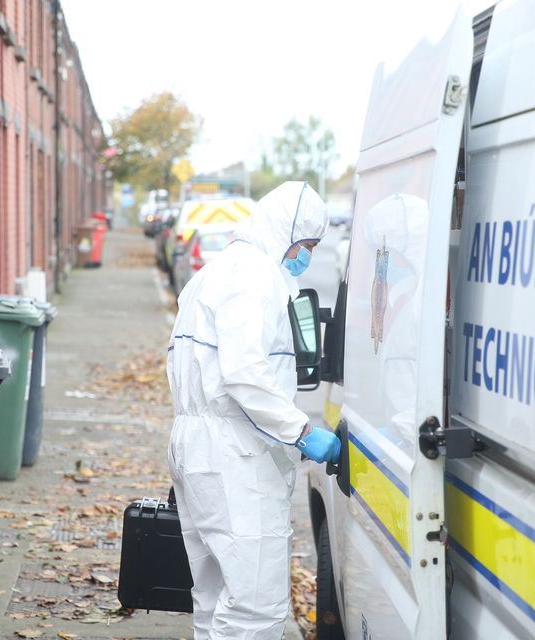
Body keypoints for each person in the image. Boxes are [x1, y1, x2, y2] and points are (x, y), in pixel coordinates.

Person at [166, 181, 341, 639]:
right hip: (235, 456)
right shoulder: (256, 276)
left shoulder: (214, 271)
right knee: (255, 609)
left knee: (213, 597)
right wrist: (302, 431)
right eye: (306, 245)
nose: (306, 256)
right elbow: (244, 373)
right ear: (284, 232)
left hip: (197, 445)